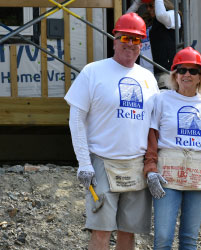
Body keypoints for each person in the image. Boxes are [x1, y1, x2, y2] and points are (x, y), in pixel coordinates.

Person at [64, 13, 159, 250]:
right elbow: (76, 119)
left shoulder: (148, 78)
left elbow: (154, 127)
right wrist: (84, 163)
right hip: (103, 164)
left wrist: (152, 165)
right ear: (114, 40)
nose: (130, 44)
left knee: (128, 234)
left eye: (136, 40)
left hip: (136, 166)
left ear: (141, 44)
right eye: (125, 37)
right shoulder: (93, 72)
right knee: (101, 232)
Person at [144, 47, 201, 249]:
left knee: (189, 239)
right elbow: (151, 136)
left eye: (193, 71)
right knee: (162, 238)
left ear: (200, 77)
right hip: (168, 171)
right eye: (182, 70)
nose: (187, 74)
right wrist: (150, 169)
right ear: (174, 75)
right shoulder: (161, 99)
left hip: (197, 170)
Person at [127, 0, 182, 88]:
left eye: (151, 6)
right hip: (143, 72)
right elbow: (125, 22)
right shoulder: (146, 21)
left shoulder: (173, 15)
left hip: (163, 72)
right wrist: (137, 3)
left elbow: (161, 15)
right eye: (147, 6)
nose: (148, 9)